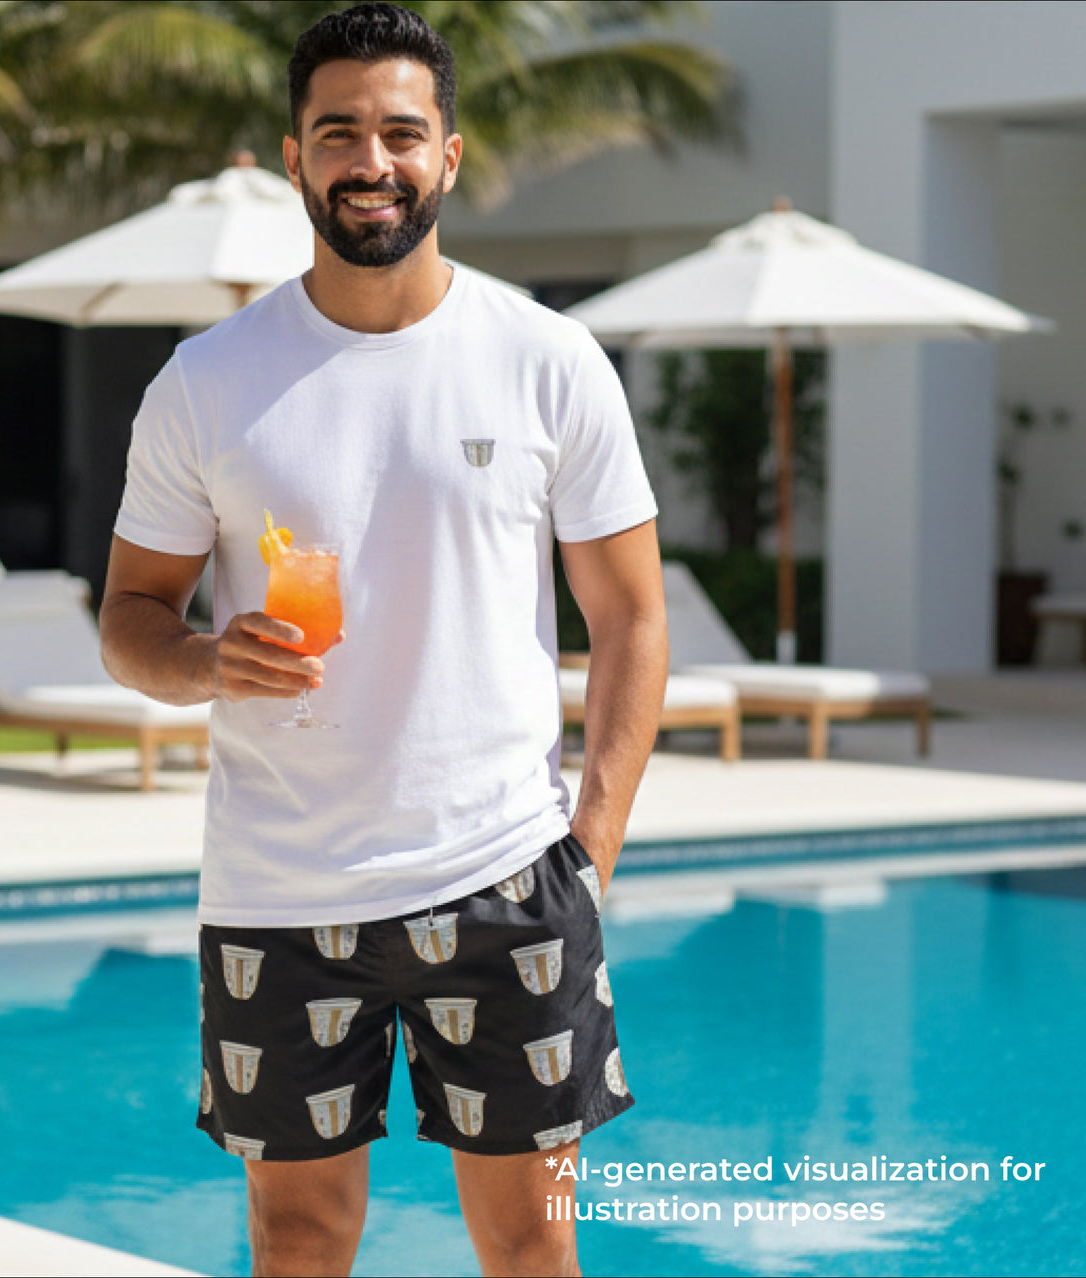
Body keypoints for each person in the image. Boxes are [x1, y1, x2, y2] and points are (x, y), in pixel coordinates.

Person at [101, 5, 668, 1273]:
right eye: (339, 131)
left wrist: (595, 846)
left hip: (506, 874)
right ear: (295, 157)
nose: (372, 160)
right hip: (276, 889)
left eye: (401, 132)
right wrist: (202, 661)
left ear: (448, 156)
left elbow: (630, 615)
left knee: (528, 1241)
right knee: (300, 1232)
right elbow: (129, 622)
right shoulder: (206, 380)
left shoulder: (547, 361)